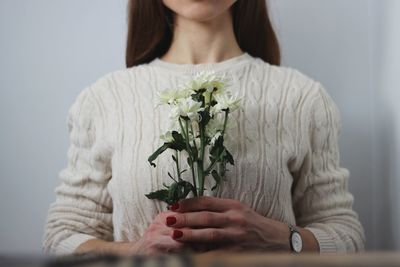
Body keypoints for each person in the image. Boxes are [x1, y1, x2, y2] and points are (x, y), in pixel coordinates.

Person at [43, 0, 365, 255]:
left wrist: (281, 238)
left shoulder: (303, 99)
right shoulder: (103, 101)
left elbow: (347, 235)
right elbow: (61, 237)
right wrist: (135, 252)